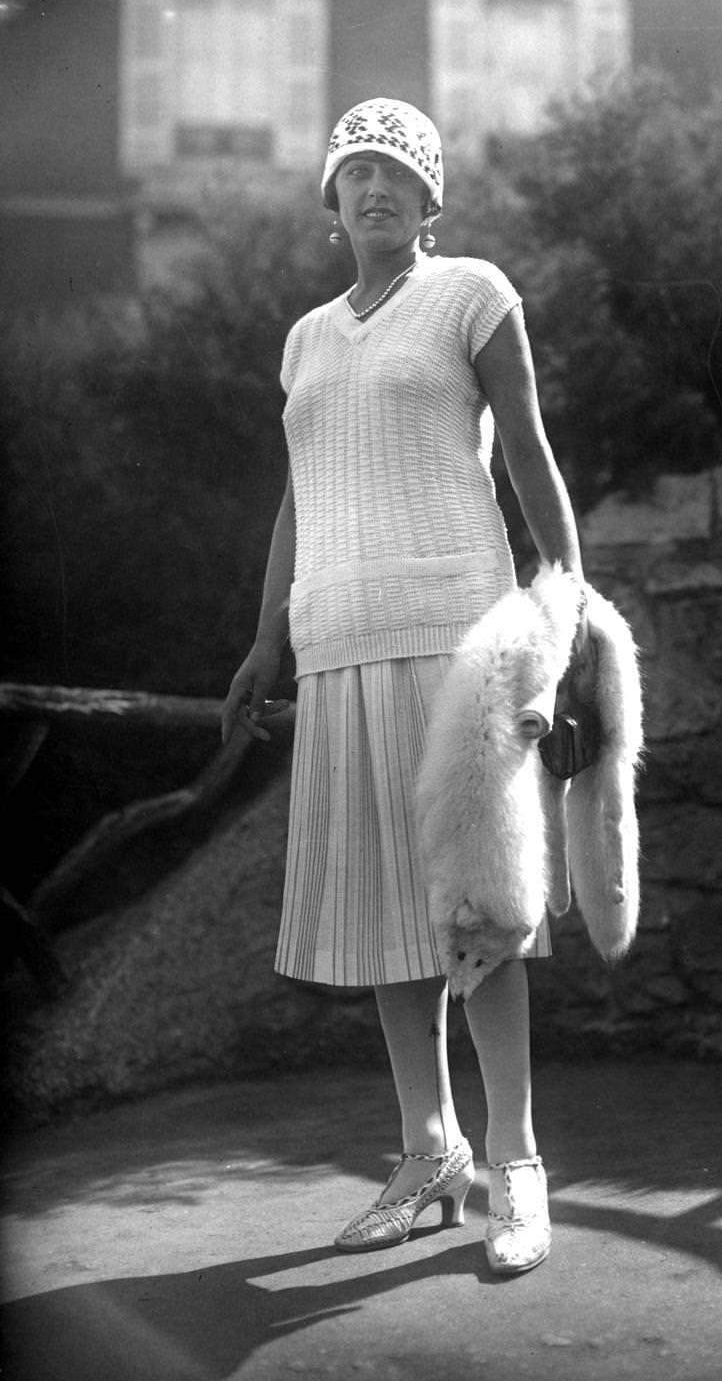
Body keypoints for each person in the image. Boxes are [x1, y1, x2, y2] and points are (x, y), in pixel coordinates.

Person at [220, 98, 584, 1277]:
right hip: (333, 642)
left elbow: (527, 452)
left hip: (454, 638)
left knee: (475, 915)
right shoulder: (303, 340)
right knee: (386, 922)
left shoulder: (473, 293)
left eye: (399, 173)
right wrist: (266, 638)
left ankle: (515, 1166)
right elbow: (297, 492)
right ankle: (430, 1156)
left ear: (432, 201)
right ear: (331, 200)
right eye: (355, 171)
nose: (375, 189)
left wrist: (564, 597)